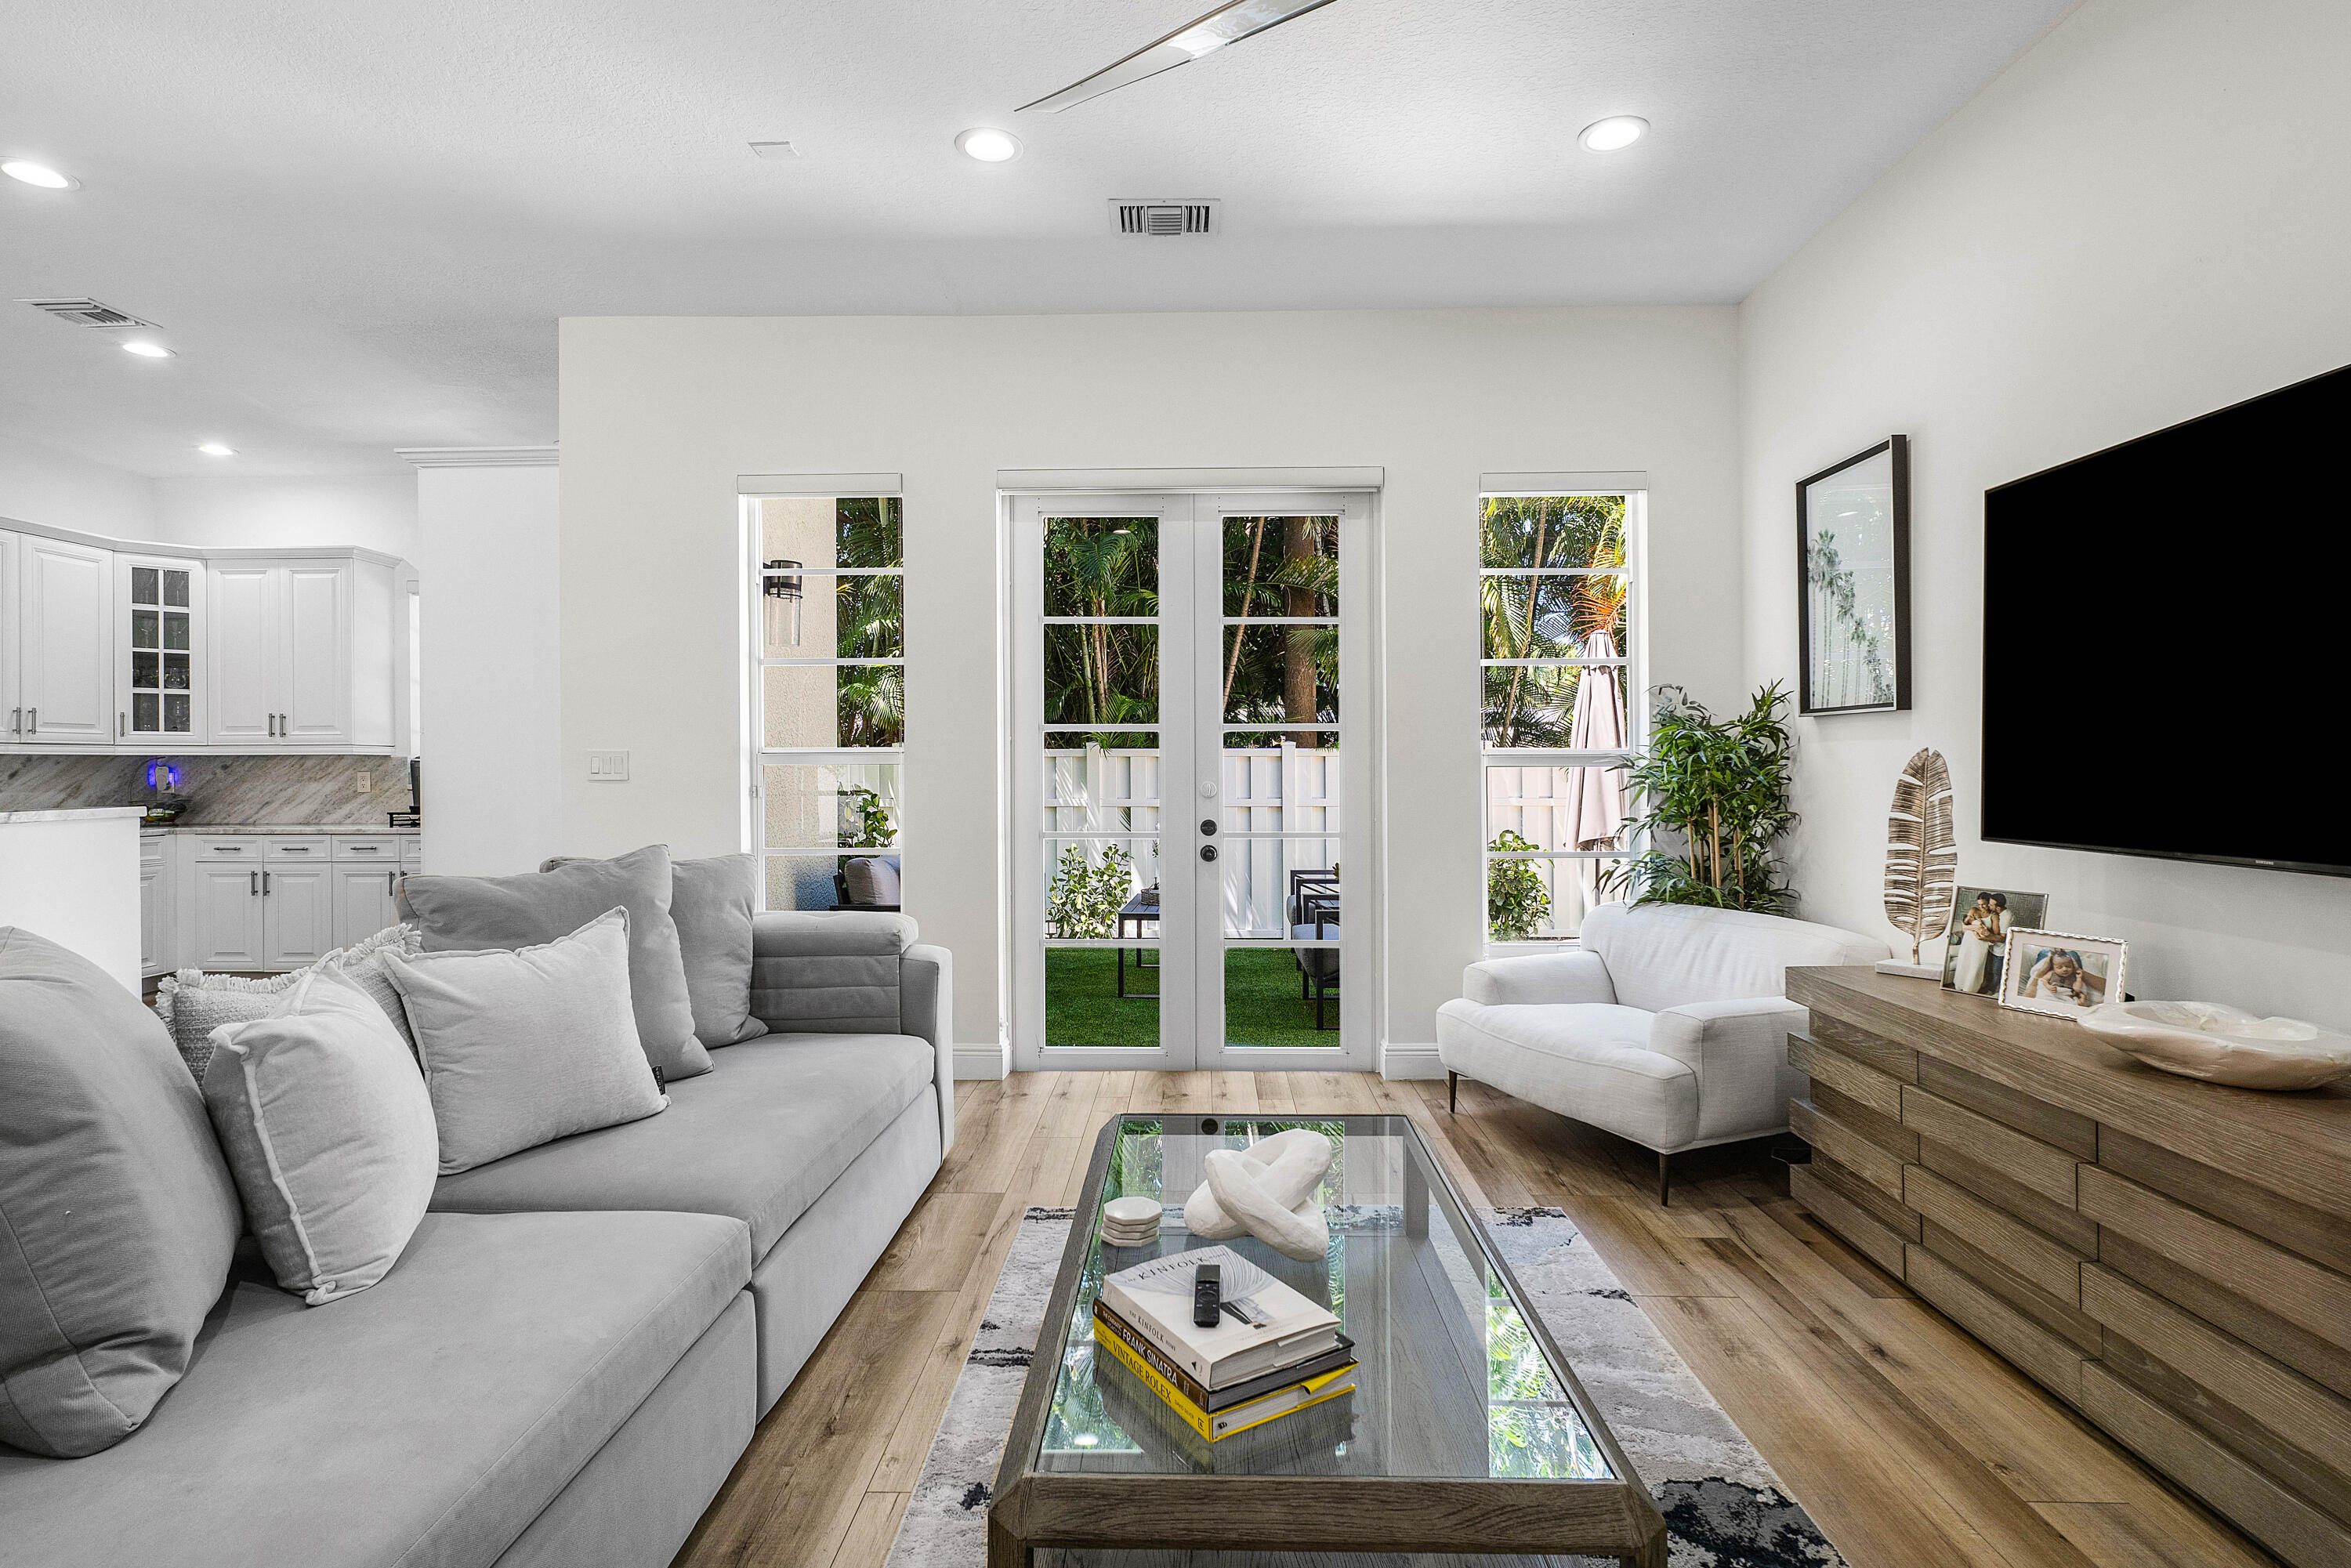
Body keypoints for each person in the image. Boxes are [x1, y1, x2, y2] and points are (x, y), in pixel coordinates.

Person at [1951, 893, 2009, 994]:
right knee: (1965, 962)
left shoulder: (1994, 916)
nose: (1981, 907)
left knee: (1976, 965)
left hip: (1981, 944)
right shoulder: (1973, 910)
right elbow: (1964, 926)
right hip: (1968, 941)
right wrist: (1976, 929)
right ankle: (1959, 985)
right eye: (1979, 904)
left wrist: (1984, 931)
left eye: (1984, 904)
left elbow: (1995, 934)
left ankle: (1970, 988)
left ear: (1989, 903)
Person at [2020, 948, 2107, 1009]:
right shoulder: (2051, 972)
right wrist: (2047, 982)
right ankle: (2054, 957)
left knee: (2064, 954)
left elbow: (2077, 989)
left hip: (2062, 995)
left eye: (2068, 966)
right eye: (2060, 967)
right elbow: (2043, 981)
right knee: (2056, 954)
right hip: (2052, 994)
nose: (2065, 969)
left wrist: (2079, 975)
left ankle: (2057, 956)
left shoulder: (2072, 977)